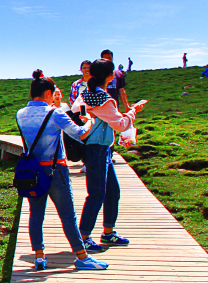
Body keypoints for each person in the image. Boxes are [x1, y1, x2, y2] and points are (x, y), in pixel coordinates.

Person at [17, 71, 105, 271]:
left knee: (36, 214)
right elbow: (80, 134)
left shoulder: (20, 114)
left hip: (33, 172)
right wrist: (89, 120)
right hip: (56, 170)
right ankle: (82, 256)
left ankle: (39, 257)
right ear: (48, 93)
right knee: (68, 216)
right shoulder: (55, 113)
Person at [79, 58, 147, 250]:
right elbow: (121, 124)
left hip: (99, 149)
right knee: (97, 193)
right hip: (97, 149)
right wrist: (134, 110)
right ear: (110, 77)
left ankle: (108, 233)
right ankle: (83, 238)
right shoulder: (104, 99)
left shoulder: (86, 93)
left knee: (111, 192)